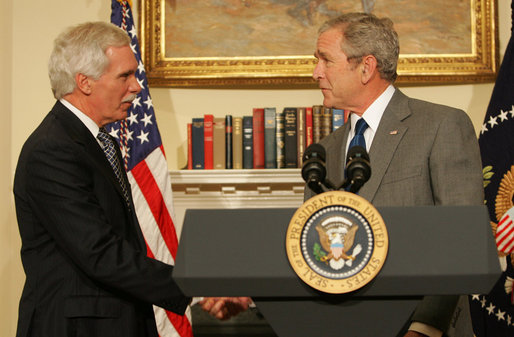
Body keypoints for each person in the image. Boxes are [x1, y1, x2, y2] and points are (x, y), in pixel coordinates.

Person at [13, 21, 248, 337]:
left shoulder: (101, 142)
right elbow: (100, 253)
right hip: (77, 327)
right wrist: (198, 285)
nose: (137, 86)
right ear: (84, 82)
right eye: (125, 76)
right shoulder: (52, 150)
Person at [307, 13, 483, 337]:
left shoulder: (442, 126)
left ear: (366, 67)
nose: (316, 72)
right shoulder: (324, 151)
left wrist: (423, 329)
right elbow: (309, 249)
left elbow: (461, 240)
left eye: (325, 61)